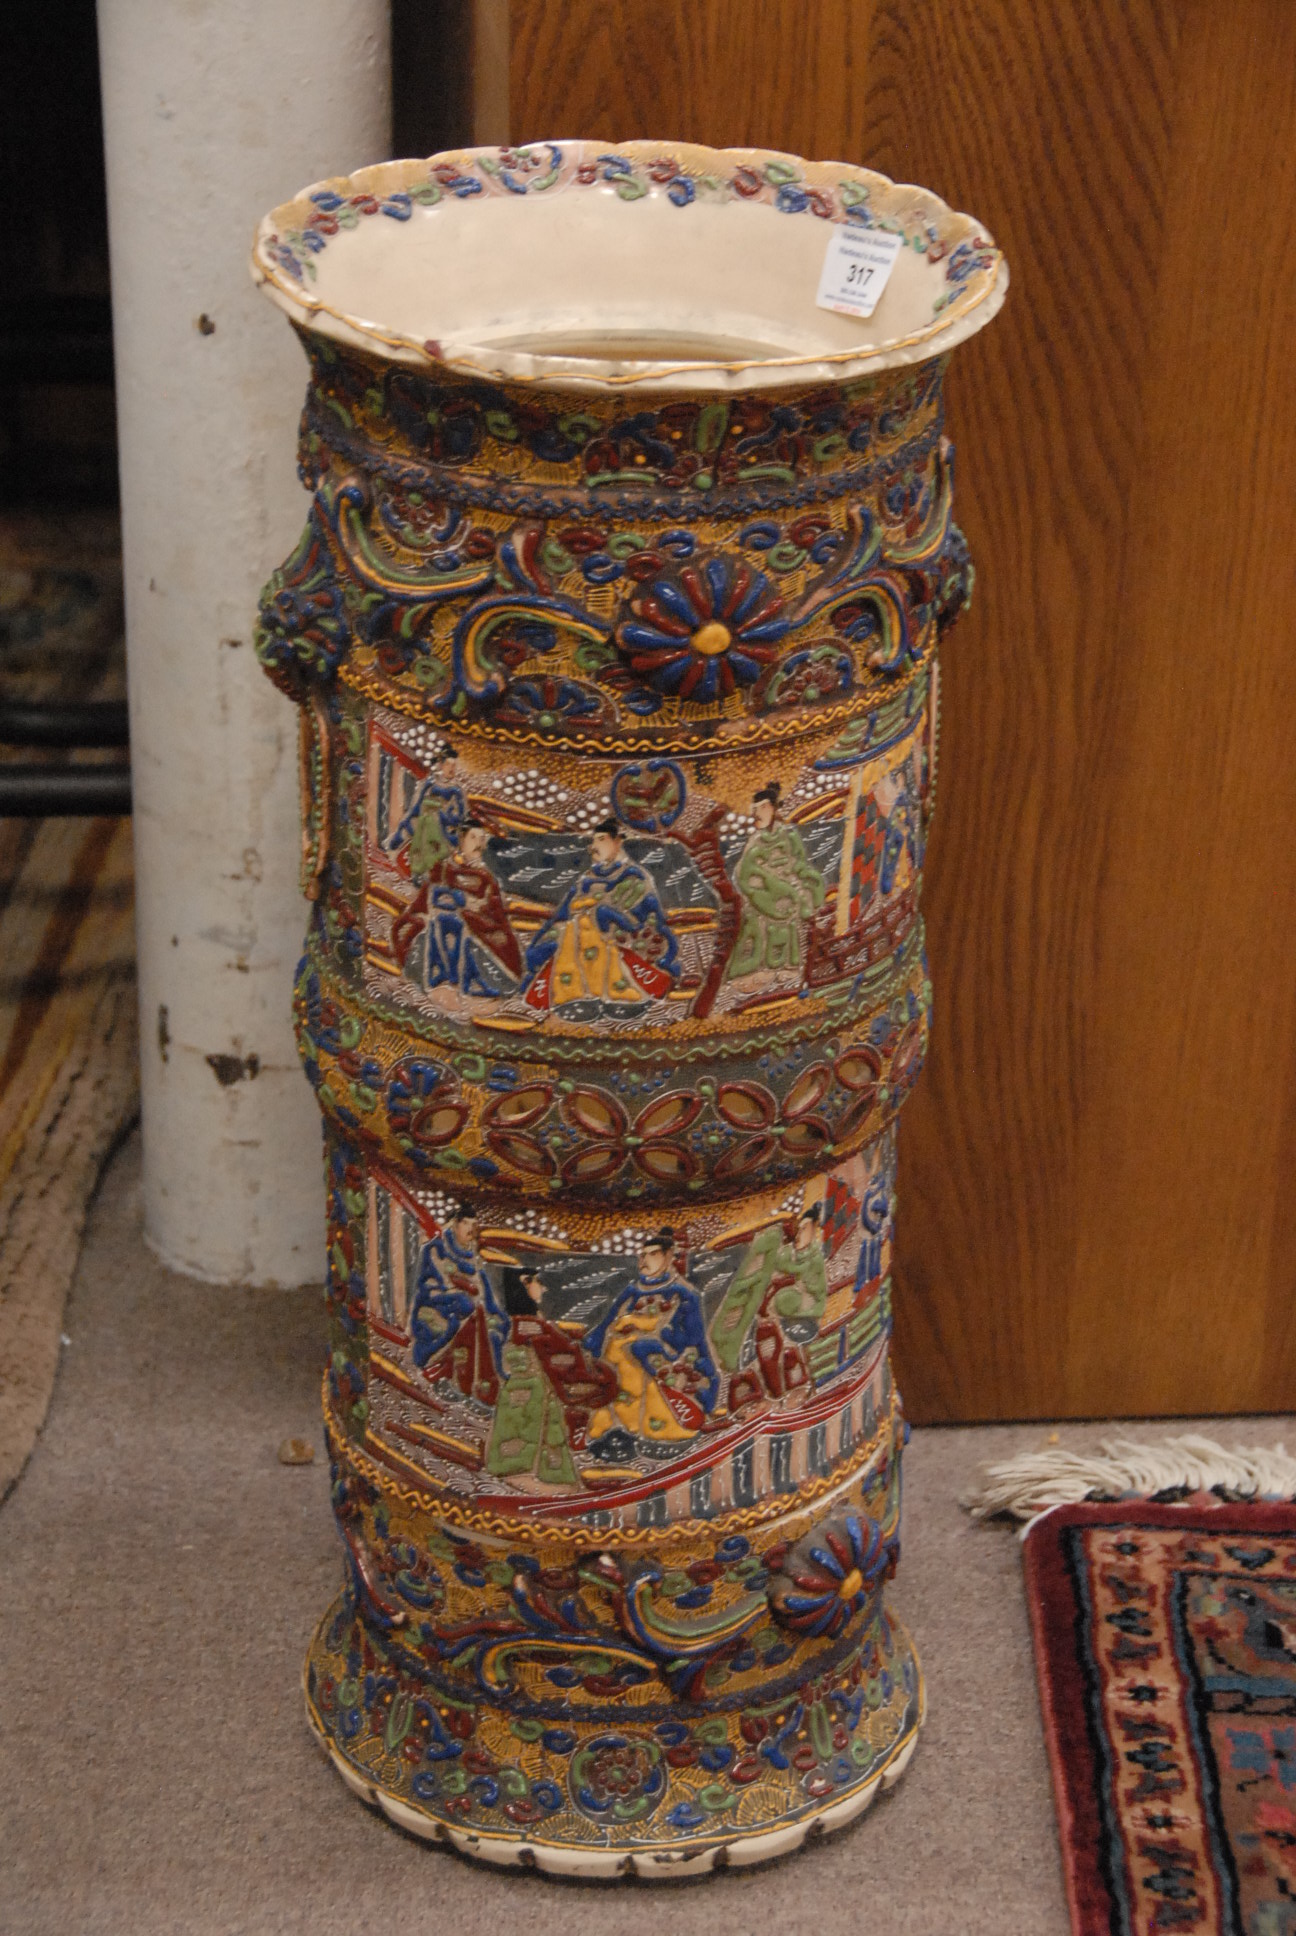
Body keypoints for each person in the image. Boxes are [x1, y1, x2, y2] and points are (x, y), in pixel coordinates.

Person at [584, 1229, 719, 1458]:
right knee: (618, 1362)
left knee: (637, 1363)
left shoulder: (683, 1293)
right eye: (643, 1255)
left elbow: (692, 1336)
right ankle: (614, 1428)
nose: (645, 1261)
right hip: (623, 1358)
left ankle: (657, 1432)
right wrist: (596, 1340)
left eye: (653, 1254)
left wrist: (656, 1339)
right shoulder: (633, 1290)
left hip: (670, 1357)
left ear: (668, 1257)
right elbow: (608, 1320)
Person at [523, 818, 679, 1011]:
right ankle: (577, 996)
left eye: (601, 839)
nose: (594, 847)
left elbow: (641, 918)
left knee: (594, 923)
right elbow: (564, 912)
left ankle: (611, 995)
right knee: (560, 940)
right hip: (580, 942)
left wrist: (600, 914)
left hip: (624, 941)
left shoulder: (634, 875)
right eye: (594, 841)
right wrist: (542, 938)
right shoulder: (588, 878)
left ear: (617, 842)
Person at [485, 1267, 618, 1485]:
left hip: (519, 1392)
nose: (543, 1288)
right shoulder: (534, 1327)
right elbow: (563, 1354)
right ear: (524, 1285)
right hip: (536, 1391)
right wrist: (595, 1370)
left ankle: (524, 1474)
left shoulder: (518, 1324)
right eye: (537, 1281)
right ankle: (531, 1477)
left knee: (520, 1435)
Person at [712, 1203, 828, 1408]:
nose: (799, 1234)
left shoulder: (813, 1258)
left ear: (815, 1227)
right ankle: (771, 1391)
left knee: (783, 1350)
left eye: (804, 1228)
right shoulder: (784, 1255)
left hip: (798, 1321)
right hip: (773, 1321)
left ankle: (787, 1390)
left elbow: (816, 1295)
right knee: (766, 1345)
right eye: (799, 1229)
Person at [391, 816, 522, 998]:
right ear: (461, 839)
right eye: (473, 837)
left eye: (482, 839)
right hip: (440, 923)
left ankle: (468, 979)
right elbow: (425, 899)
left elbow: (493, 913)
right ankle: (440, 976)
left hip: (476, 929)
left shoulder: (485, 877)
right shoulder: (443, 869)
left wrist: (471, 909)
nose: (478, 844)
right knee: (439, 926)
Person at [408, 1203, 508, 1408]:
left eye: (474, 1224)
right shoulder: (436, 1249)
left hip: (470, 1309)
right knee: (465, 1317)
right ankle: (448, 1380)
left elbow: (484, 1290)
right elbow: (429, 1286)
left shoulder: (473, 1256)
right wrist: (458, 1294)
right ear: (455, 1224)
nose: (471, 1229)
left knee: (491, 1327)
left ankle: (480, 1390)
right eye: (466, 1223)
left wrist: (496, 1313)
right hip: (438, 1307)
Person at [725, 782, 825, 980]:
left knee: (790, 922)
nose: (757, 814)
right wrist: (764, 888)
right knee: (755, 924)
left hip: (788, 892)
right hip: (763, 896)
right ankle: (752, 968)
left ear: (773, 808)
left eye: (762, 808)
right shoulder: (756, 842)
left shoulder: (789, 835)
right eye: (755, 809)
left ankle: (790, 965)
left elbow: (799, 862)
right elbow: (743, 875)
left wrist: (799, 879)